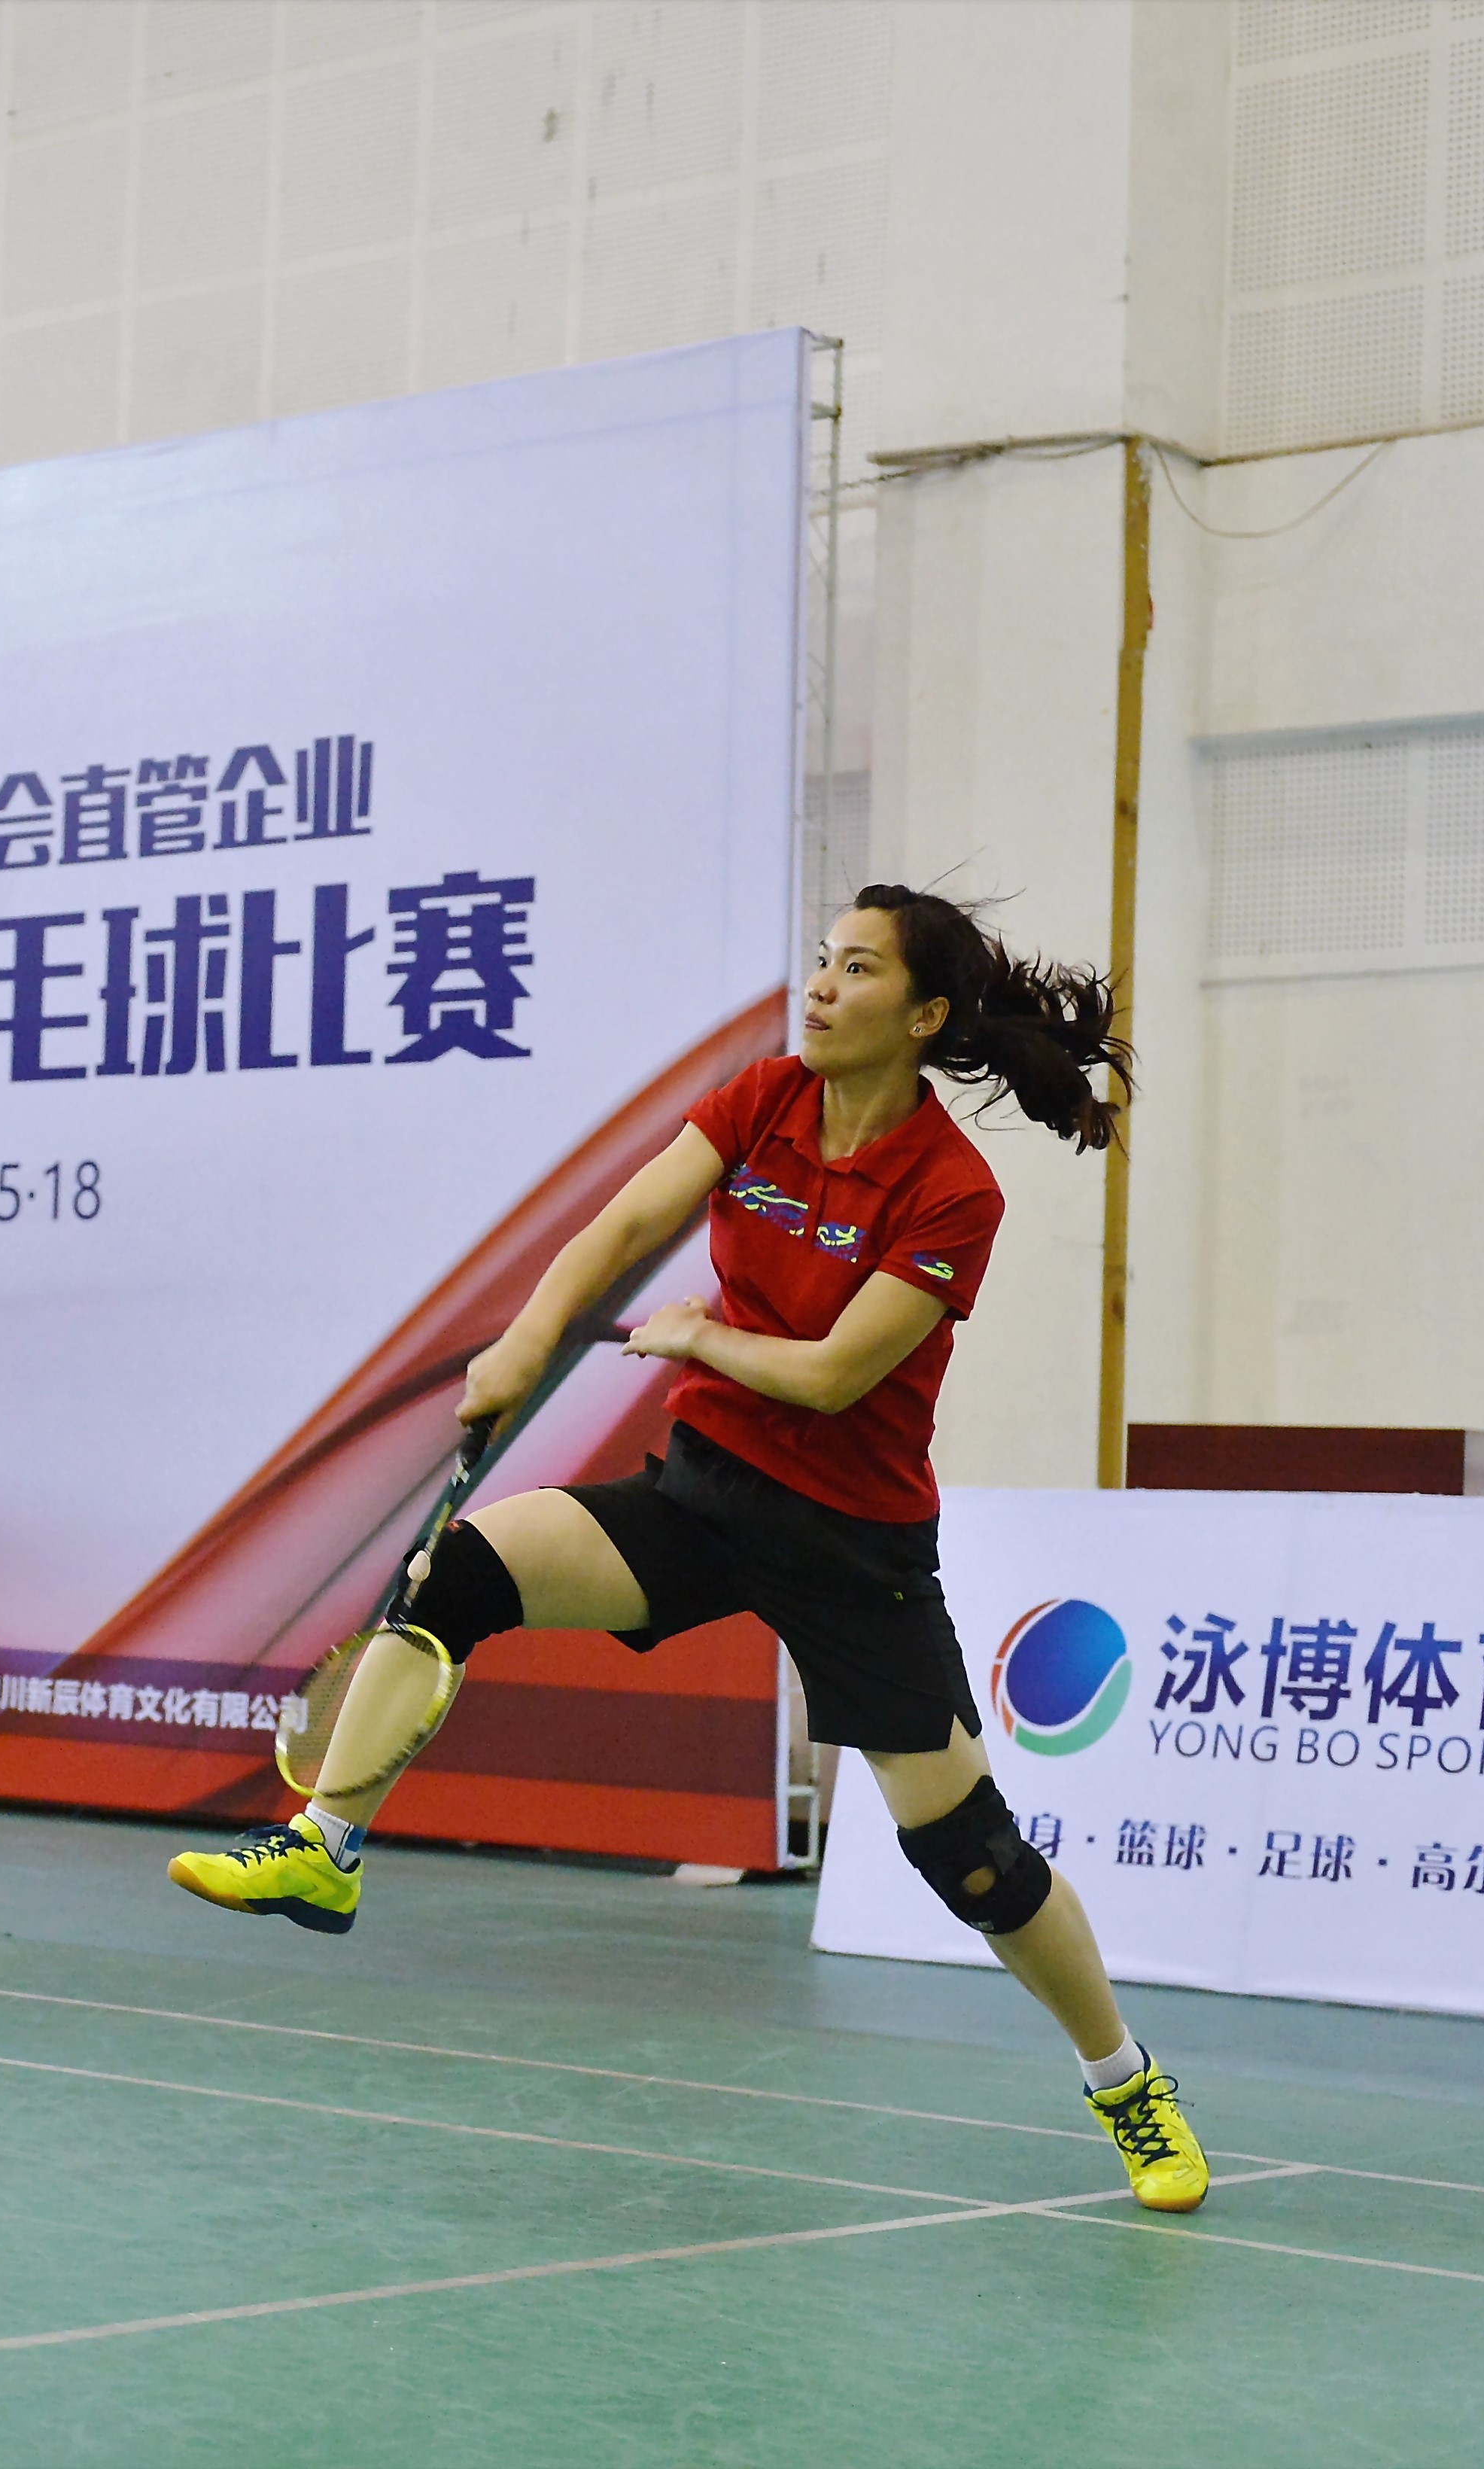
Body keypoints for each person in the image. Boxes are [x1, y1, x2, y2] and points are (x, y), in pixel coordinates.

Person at [166, 886, 1209, 2212]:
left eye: (859, 970)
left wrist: (700, 1336)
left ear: (925, 1015)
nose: (821, 987)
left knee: (976, 1861)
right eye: (822, 961)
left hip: (852, 1546)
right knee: (457, 1574)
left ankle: (1127, 2083)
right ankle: (325, 1846)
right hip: (704, 1497)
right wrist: (524, 1345)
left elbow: (834, 1376)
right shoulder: (766, 1099)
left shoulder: (954, 1191)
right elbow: (619, 1228)